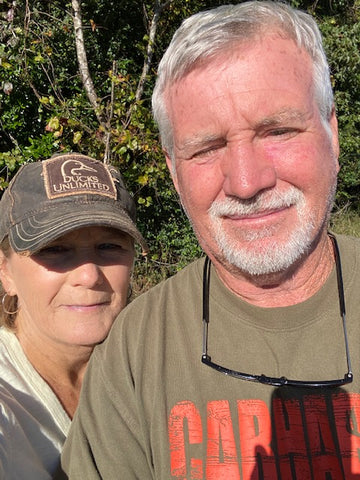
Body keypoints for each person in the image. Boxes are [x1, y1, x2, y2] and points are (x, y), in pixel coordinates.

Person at [57, 2, 360, 478]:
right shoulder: (135, 351)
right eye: (207, 148)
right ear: (174, 171)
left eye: (278, 130)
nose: (245, 181)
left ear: (332, 133)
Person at [0, 152, 147, 479]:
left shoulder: (151, 367)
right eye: (54, 249)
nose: (89, 275)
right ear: (5, 272)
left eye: (109, 247)